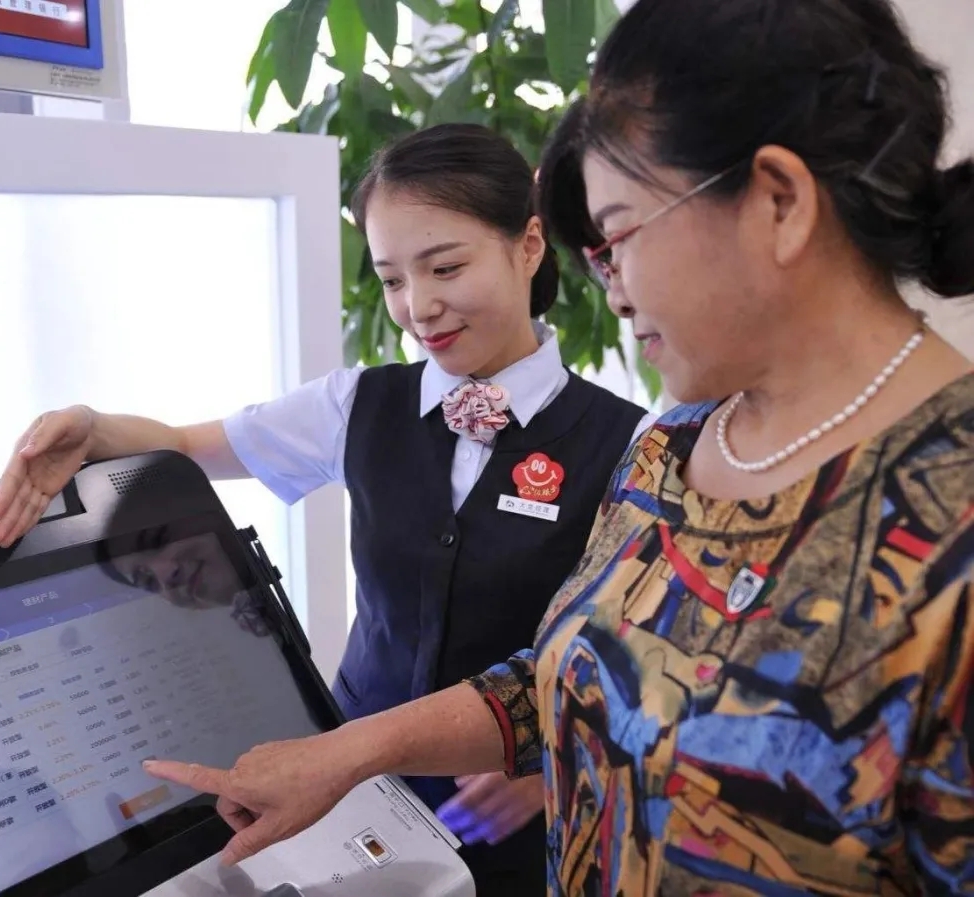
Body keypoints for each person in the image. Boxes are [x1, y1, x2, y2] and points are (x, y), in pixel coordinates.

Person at [137, 0, 974, 893]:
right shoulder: (677, 445)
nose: (613, 292)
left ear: (779, 201)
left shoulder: (951, 514)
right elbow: (570, 671)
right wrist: (344, 753)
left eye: (621, 235)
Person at [0, 123, 650, 895]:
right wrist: (93, 427)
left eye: (445, 267)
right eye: (392, 280)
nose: (419, 307)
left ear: (528, 245)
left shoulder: (633, 444)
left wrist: (552, 762)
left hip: (518, 812)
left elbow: (640, 662)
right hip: (347, 788)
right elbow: (186, 445)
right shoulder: (357, 404)